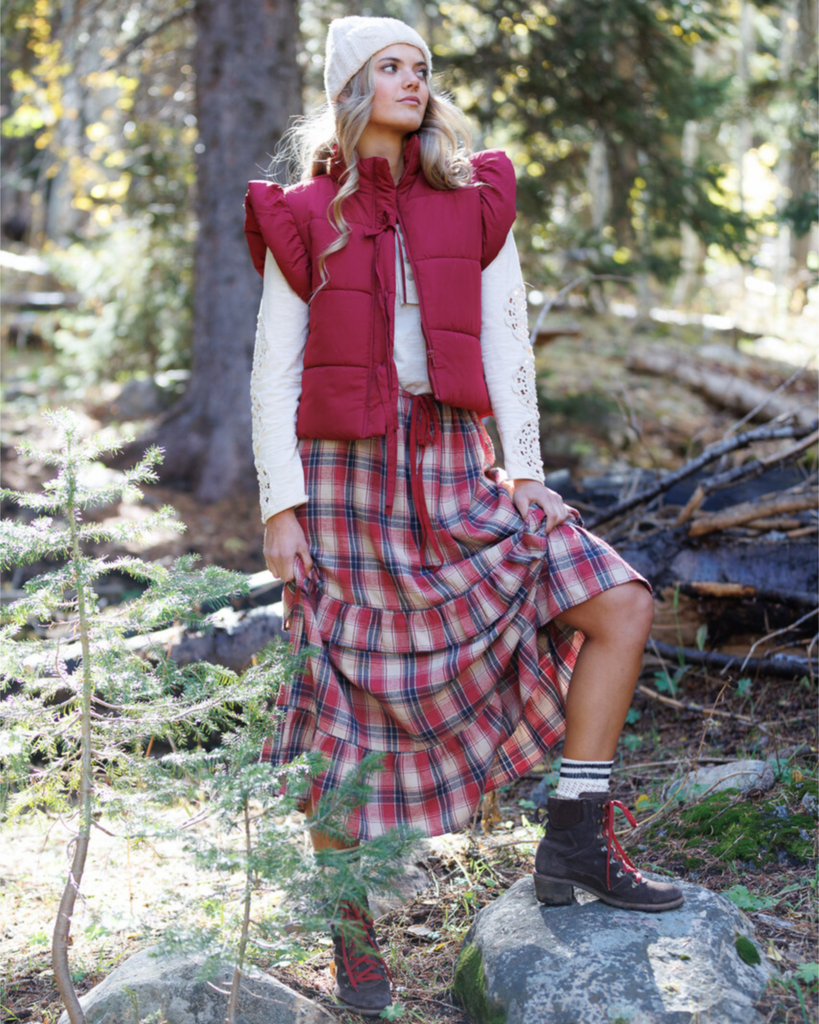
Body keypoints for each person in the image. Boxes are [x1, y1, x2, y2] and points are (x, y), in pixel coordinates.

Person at [244, 15, 683, 1017]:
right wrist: (281, 504)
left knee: (617, 600)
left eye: (422, 67)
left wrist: (524, 471)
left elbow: (506, 336)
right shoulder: (305, 214)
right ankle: (351, 939)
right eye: (390, 67)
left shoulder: (473, 201)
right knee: (337, 707)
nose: (414, 79)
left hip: (453, 461)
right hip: (343, 480)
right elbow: (272, 372)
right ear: (351, 86)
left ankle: (578, 832)